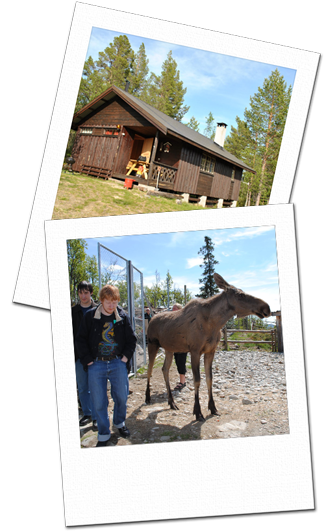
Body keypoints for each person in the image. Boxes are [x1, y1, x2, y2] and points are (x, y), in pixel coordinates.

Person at [76, 284, 137, 447]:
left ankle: (119, 423)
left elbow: (132, 339)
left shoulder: (122, 316)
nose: (111, 305)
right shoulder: (90, 316)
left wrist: (124, 358)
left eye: (114, 301)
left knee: (122, 397)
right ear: (101, 300)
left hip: (118, 363)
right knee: (99, 400)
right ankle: (103, 433)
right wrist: (88, 360)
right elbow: (80, 340)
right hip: (96, 365)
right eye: (108, 301)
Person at [72, 281, 97, 431]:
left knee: (95, 387)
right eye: (80, 292)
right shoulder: (73, 311)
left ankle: (96, 416)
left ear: (91, 293)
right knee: (82, 388)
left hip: (95, 356)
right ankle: (87, 413)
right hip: (78, 356)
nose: (83, 296)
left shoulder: (99, 310)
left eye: (86, 292)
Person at [172, 303, 188, 392]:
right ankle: (182, 381)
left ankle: (182, 382)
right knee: (177, 361)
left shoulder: (183, 319)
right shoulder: (173, 320)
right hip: (176, 345)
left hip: (182, 344)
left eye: (174, 308)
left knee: (181, 362)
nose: (173, 310)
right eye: (172, 309)